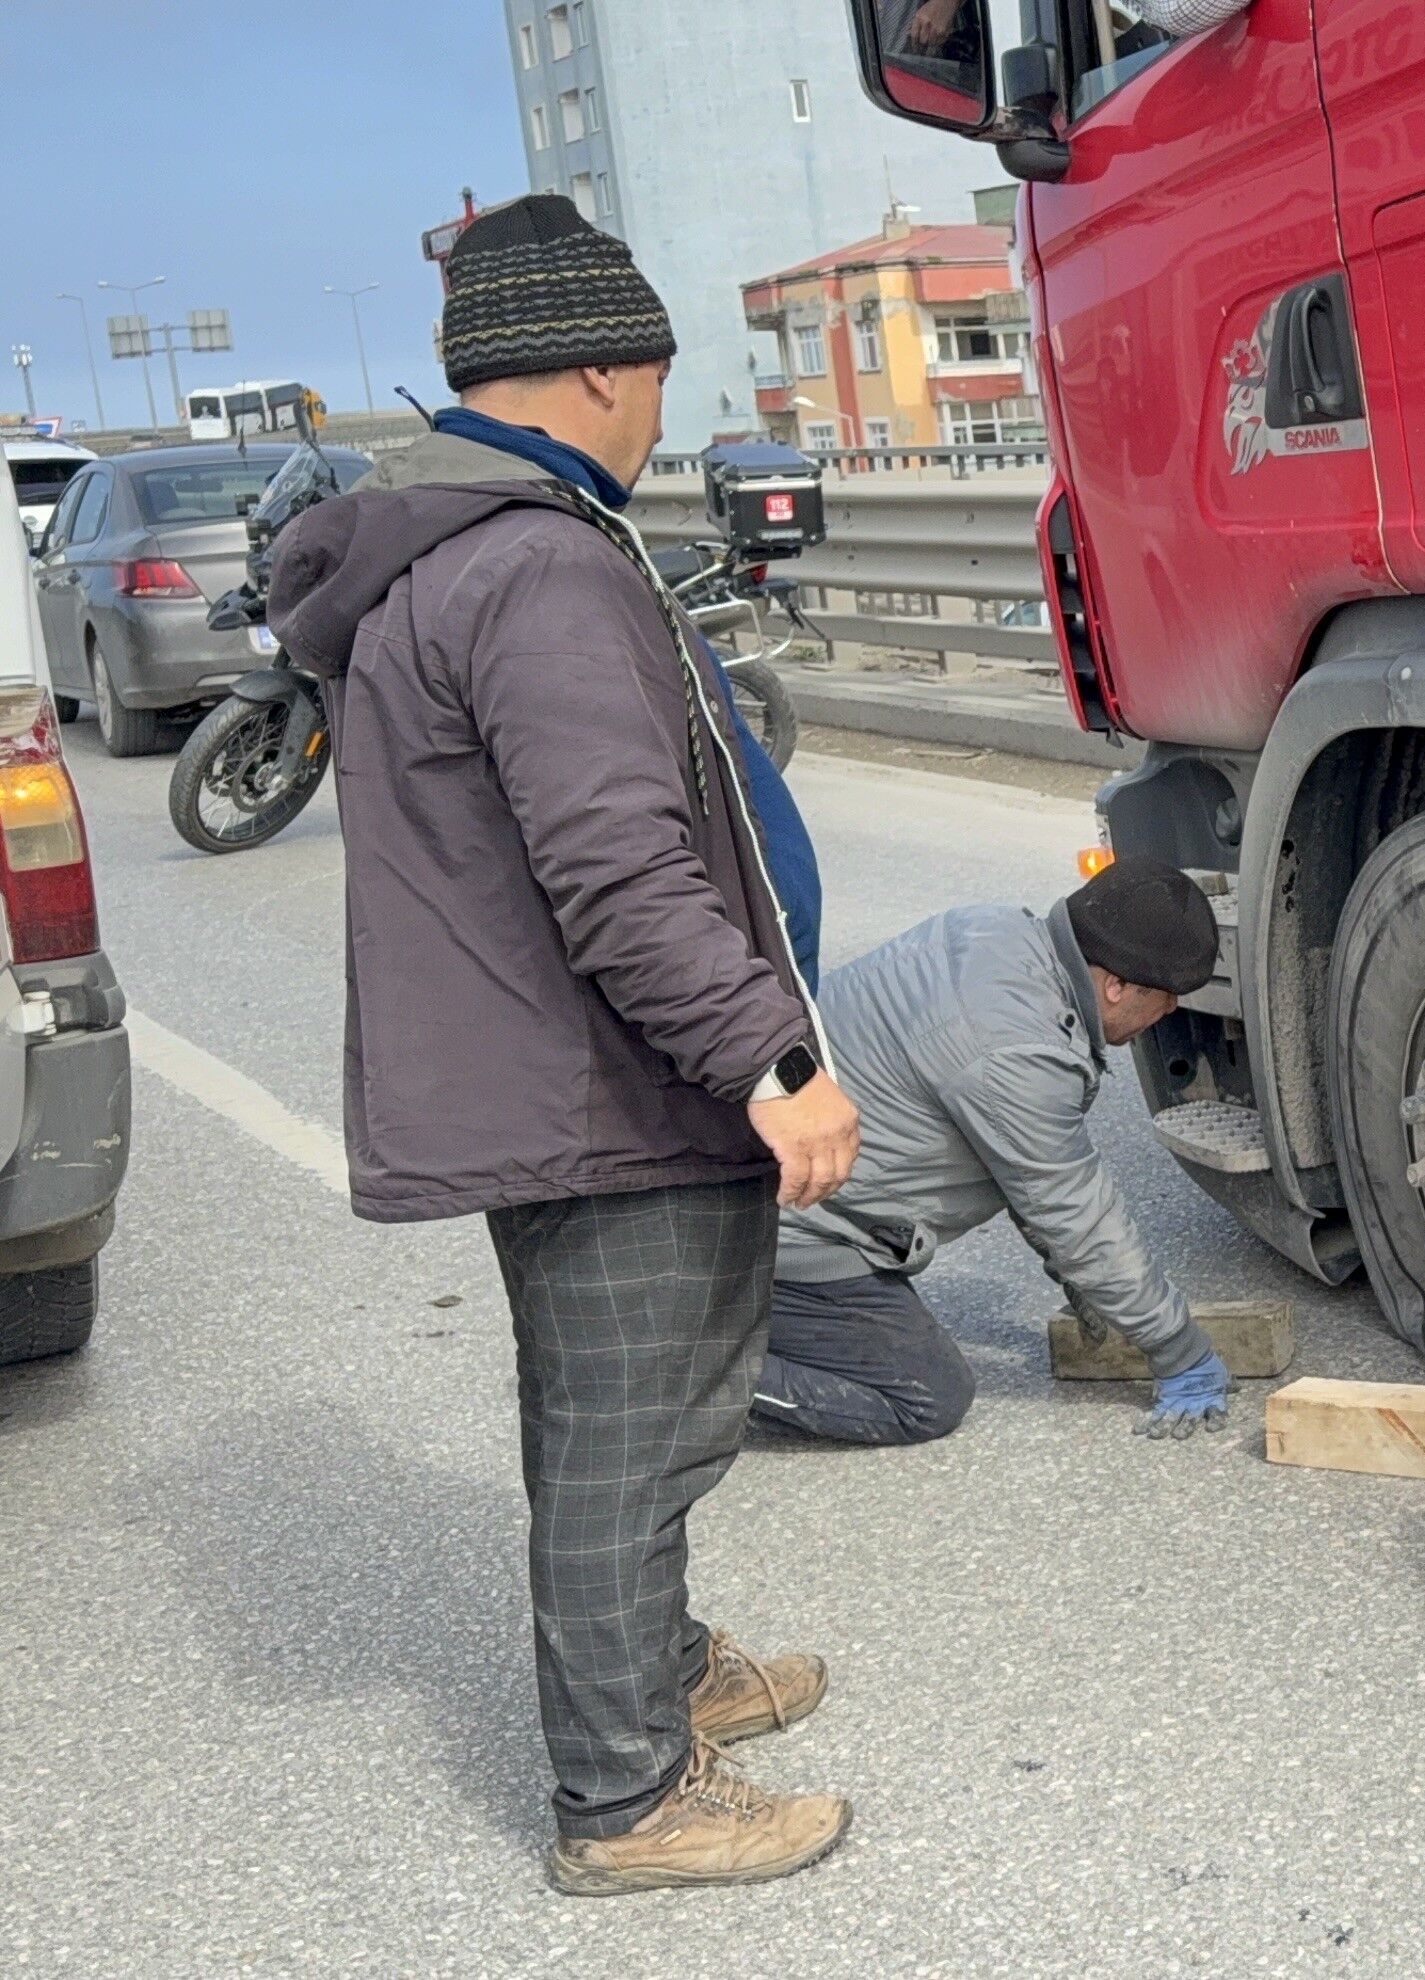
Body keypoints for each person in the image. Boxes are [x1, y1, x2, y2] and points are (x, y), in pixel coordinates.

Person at [266, 193, 860, 1897]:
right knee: (630, 1436)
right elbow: (617, 871)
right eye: (663, 376)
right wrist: (775, 1056)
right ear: (600, 370)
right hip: (609, 1082)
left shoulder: (480, 537)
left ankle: (664, 1676)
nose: (668, 410)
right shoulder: (534, 564)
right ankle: (625, 1797)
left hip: (574, 1072)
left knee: (619, 1414)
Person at [757, 858, 1232, 1445]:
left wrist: (1085, 1281)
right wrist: (1179, 1351)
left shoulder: (997, 934)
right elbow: (1073, 1211)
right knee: (925, 1394)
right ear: (1115, 985)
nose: (1171, 1012)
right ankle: (690, 1373)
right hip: (784, 1234)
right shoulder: (1017, 1049)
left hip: (767, 1181)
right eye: (1167, 997)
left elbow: (1028, 1174)